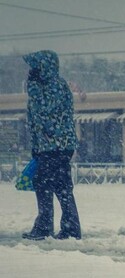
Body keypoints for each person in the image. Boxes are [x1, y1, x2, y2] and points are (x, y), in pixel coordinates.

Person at [22, 50, 81, 241]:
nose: (31, 71)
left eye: (34, 67)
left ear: (43, 68)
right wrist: (37, 146)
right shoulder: (51, 85)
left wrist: (32, 86)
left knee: (47, 184)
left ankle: (48, 227)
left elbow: (43, 111)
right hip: (51, 145)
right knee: (58, 185)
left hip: (56, 146)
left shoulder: (53, 86)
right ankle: (67, 227)